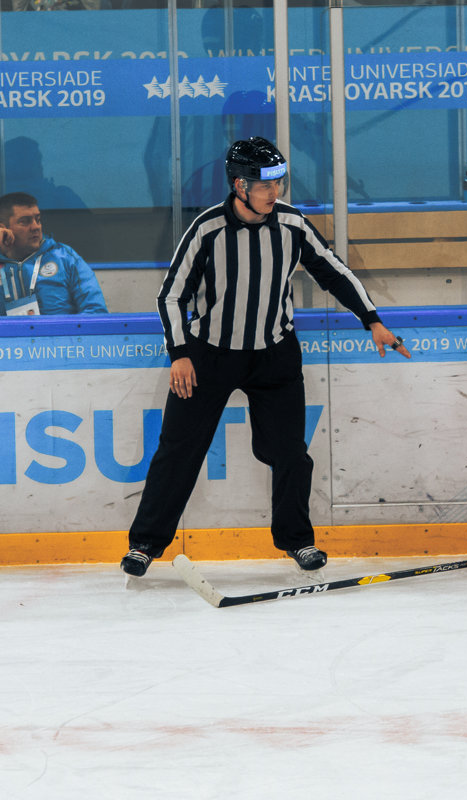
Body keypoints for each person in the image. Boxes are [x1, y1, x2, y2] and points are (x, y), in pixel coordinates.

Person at [121, 136, 412, 578]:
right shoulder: (207, 229)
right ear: (239, 186)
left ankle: (298, 541)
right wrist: (180, 353)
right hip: (208, 357)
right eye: (265, 185)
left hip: (274, 355)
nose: (275, 193)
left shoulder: (293, 224)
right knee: (178, 451)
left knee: (290, 454)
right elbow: (171, 295)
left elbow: (333, 270)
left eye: (279, 183)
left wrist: (371, 318)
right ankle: (145, 544)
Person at [0, 192, 107, 316]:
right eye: (25, 221)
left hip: (58, 350)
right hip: (5, 351)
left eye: (38, 219)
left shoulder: (64, 256)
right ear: (2, 228)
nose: (36, 227)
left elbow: (95, 310)